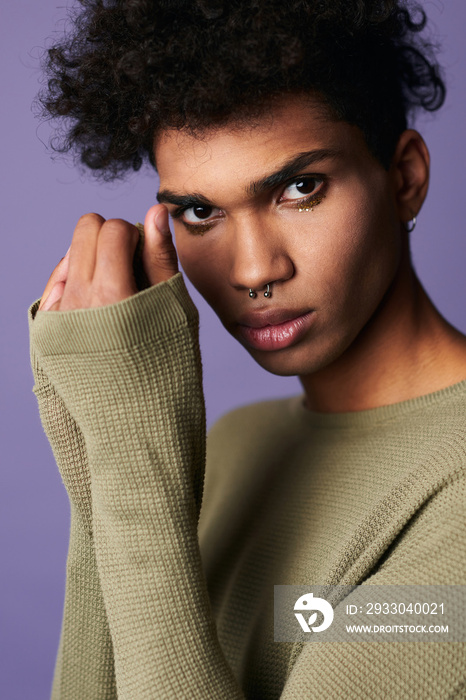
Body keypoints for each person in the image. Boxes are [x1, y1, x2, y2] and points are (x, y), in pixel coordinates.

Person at [29, 0, 466, 698]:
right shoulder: (231, 448)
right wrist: (99, 443)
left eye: (300, 188)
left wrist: (135, 462)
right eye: (200, 212)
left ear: (404, 177)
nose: (254, 270)